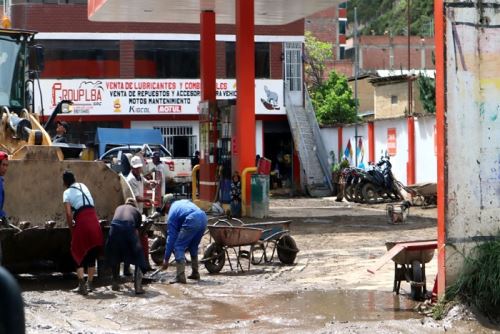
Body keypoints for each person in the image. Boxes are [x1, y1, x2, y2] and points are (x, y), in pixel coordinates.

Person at [62, 170, 104, 295]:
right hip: (94, 220)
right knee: (92, 252)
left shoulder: (66, 193)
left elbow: (69, 214)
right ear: (74, 179)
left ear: (64, 183)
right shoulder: (83, 186)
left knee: (76, 250)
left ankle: (81, 285)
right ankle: (90, 284)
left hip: (83, 221)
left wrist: (71, 229)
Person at [161, 194, 207, 284]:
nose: (166, 212)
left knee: (178, 247)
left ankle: (180, 276)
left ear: (167, 204)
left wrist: (166, 259)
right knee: (193, 246)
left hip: (192, 219)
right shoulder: (182, 202)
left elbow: (171, 239)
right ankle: (195, 272)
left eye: (165, 209)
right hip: (203, 217)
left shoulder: (172, 213)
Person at [105, 198, 146, 294]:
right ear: (134, 205)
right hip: (128, 227)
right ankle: (138, 287)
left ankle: (115, 283)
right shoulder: (136, 211)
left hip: (114, 228)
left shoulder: (118, 208)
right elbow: (137, 230)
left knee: (115, 253)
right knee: (139, 255)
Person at [125, 155, 156, 273]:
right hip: (133, 212)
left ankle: (144, 264)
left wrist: (151, 183)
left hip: (139, 212)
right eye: (136, 168)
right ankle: (132, 266)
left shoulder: (139, 176)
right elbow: (137, 198)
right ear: (132, 168)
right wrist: (148, 200)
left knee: (142, 238)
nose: (138, 170)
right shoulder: (131, 179)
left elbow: (146, 182)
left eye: (140, 168)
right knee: (134, 240)